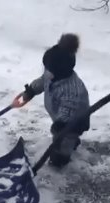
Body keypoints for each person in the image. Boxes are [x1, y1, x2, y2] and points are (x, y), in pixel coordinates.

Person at [22, 33, 90, 168]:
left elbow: (69, 109)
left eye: (49, 69)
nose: (46, 71)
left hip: (73, 121)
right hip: (58, 115)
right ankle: (70, 142)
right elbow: (42, 81)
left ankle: (62, 156)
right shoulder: (52, 74)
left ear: (60, 71)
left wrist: (61, 125)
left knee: (64, 142)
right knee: (61, 136)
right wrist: (31, 90)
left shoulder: (71, 90)